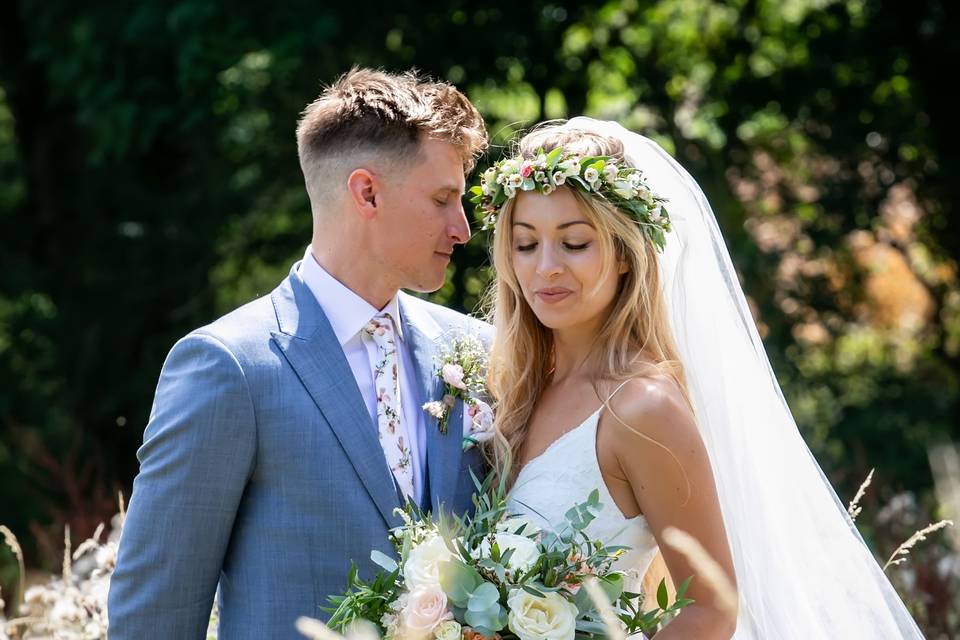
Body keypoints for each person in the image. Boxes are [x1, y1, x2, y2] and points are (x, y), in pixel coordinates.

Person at [480, 118, 925, 638]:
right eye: (525, 243)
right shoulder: (513, 389)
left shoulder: (641, 407)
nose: (545, 267)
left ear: (625, 254)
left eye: (575, 243)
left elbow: (711, 610)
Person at [108, 68, 491, 639]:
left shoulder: (477, 350)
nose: (462, 228)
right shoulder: (229, 366)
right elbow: (155, 612)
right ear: (366, 192)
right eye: (443, 199)